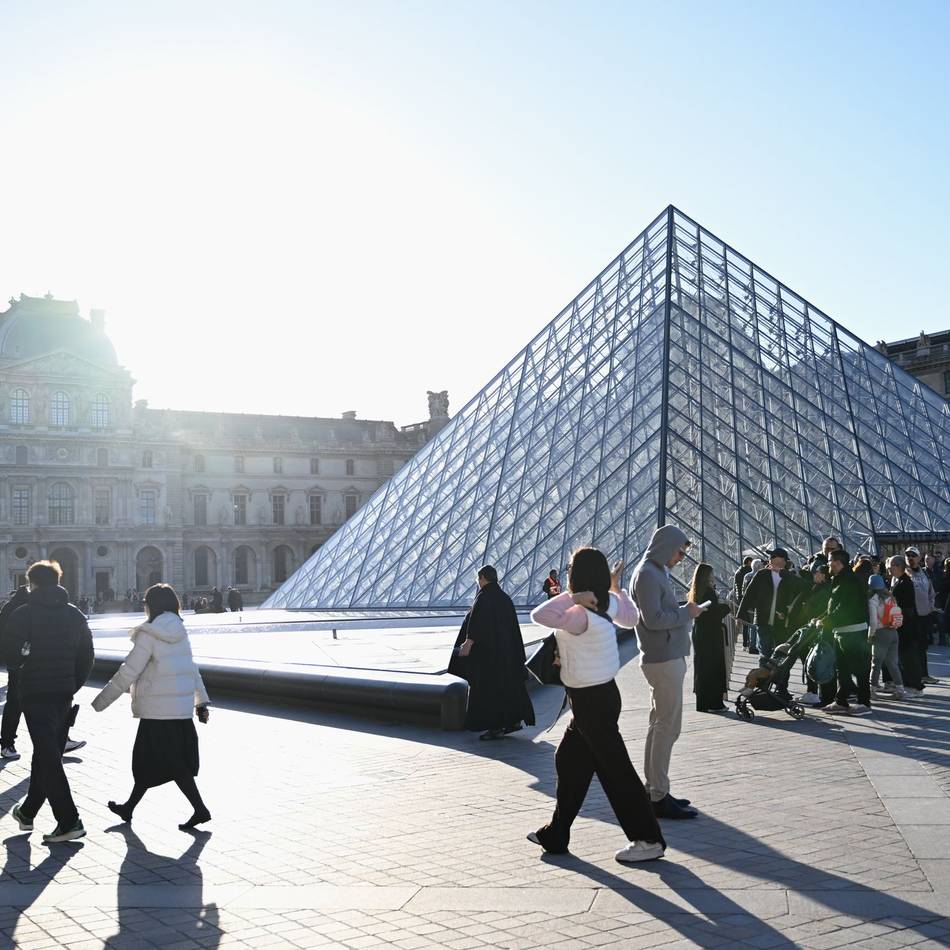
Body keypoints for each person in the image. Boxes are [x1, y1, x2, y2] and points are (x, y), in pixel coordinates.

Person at [528, 549, 666, 862]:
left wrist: (573, 597)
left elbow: (539, 615)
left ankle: (648, 839)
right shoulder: (608, 603)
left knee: (616, 771)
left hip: (590, 701)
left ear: (576, 576)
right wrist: (615, 588)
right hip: (602, 696)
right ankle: (556, 834)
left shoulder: (579, 613)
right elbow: (631, 619)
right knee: (569, 761)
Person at [91, 583, 212, 830]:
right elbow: (191, 669)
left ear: (152, 605)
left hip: (158, 711)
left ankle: (200, 809)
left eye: (145, 603)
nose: (144, 607)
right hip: (179, 711)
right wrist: (201, 702)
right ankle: (128, 808)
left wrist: (101, 701)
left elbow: (129, 671)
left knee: (171, 764)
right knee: (149, 762)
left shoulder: (149, 634)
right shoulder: (180, 630)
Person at [4, 561, 94, 843]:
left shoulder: (23, 614)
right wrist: (72, 683)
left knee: (48, 755)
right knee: (46, 753)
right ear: (58, 581)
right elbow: (87, 656)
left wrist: (21, 667)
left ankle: (69, 820)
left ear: (31, 583)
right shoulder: (75, 614)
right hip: (63, 693)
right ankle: (28, 811)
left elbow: (10, 656)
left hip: (34, 693)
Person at [632, 525, 705, 820]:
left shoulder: (652, 571)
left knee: (659, 725)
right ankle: (658, 795)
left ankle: (655, 789)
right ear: (665, 546)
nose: (680, 558)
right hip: (663, 659)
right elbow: (653, 620)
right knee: (668, 728)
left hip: (663, 657)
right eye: (679, 552)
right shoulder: (648, 574)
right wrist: (687, 612)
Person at [454, 565, 535, 740]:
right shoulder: (505, 598)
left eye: (478, 578)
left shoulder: (483, 597)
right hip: (508, 654)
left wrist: (467, 644)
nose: (477, 582)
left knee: (489, 692)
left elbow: (476, 625)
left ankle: (495, 727)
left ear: (483, 578)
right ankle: (513, 722)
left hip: (489, 656)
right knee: (509, 688)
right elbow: (513, 628)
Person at [822, 549, 872, 716]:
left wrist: (826, 620)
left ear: (838, 562)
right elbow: (834, 605)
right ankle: (841, 701)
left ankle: (864, 703)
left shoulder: (849, 580)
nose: (828, 564)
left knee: (859, 668)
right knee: (842, 669)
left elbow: (844, 607)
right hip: (842, 631)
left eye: (830, 561)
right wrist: (822, 618)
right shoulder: (840, 579)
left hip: (853, 631)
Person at [736, 548, 801, 669]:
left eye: (776, 559)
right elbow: (749, 594)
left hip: (781, 622)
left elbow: (804, 589)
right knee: (764, 655)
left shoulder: (789, 577)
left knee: (780, 655)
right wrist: (740, 615)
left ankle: (779, 680)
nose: (772, 561)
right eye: (772, 559)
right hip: (763, 620)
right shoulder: (762, 574)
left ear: (784, 562)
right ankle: (763, 679)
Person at [790, 564, 834, 706]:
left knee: (814, 660)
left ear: (823, 575)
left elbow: (815, 608)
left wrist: (805, 609)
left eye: (816, 572)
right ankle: (815, 692)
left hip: (816, 630)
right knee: (815, 660)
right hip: (817, 628)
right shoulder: (823, 588)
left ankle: (815, 693)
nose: (814, 575)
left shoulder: (823, 590)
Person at [689, 564, 731, 713]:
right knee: (714, 666)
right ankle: (715, 703)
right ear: (707, 576)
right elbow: (714, 614)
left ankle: (703, 703)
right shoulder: (709, 592)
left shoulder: (696, 591)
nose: (713, 576)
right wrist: (726, 607)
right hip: (711, 634)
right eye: (711, 574)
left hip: (700, 633)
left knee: (702, 667)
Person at [0, 586, 31, 760]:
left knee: (15, 702)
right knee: (17, 703)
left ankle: (7, 743)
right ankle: (60, 738)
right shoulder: (25, 610)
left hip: (15, 663)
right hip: (25, 662)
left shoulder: (9, 607)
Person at [888, 555, 924, 695]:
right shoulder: (901, 581)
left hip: (906, 625)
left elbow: (907, 607)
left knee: (909, 656)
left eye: (891, 566)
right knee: (905, 656)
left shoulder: (905, 582)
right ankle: (910, 683)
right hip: (903, 623)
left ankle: (915, 686)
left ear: (898, 566)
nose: (889, 568)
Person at [868, 574, 906, 700]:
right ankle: (900, 690)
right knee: (892, 663)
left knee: (876, 663)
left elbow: (873, 622)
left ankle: (872, 690)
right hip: (894, 632)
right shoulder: (891, 598)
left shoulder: (873, 600)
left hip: (881, 633)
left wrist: (870, 635)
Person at [906, 547, 938, 685]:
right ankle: (914, 676)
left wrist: (930, 606)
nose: (910, 557)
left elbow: (931, 593)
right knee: (912, 648)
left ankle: (924, 674)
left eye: (913, 555)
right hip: (911, 617)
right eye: (908, 555)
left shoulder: (924, 573)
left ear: (919, 558)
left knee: (922, 647)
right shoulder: (904, 573)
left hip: (924, 616)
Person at [740, 558, 763, 654]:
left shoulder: (747, 576)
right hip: (757, 604)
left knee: (751, 625)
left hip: (749, 604)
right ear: (758, 567)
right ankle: (754, 645)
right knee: (755, 626)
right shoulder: (759, 576)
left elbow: (743, 590)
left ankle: (752, 645)